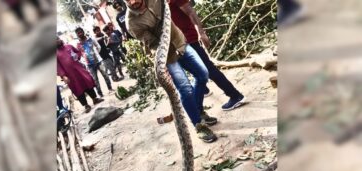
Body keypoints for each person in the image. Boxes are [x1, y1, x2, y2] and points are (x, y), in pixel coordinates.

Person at [125, 0, 217, 143]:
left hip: (181, 43)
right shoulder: (132, 23)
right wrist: (161, 65)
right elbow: (153, 43)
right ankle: (198, 125)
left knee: (203, 74)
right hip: (167, 56)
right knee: (185, 89)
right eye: (128, 0)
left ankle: (197, 109)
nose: (133, 2)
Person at [169, 0, 245, 111]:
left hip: (188, 40)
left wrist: (201, 32)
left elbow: (190, 12)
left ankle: (235, 96)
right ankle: (204, 89)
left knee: (208, 68)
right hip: (179, 43)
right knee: (195, 69)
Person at [57, 37, 103, 113]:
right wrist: (63, 76)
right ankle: (86, 105)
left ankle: (95, 99)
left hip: (79, 69)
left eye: (57, 39)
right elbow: (58, 67)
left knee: (87, 82)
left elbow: (78, 52)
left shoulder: (69, 46)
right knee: (77, 89)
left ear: (60, 39)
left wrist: (76, 55)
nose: (57, 41)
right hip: (70, 75)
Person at [75, 27, 114, 97]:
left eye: (81, 32)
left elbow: (98, 46)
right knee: (95, 80)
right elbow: (79, 54)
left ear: (83, 32)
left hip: (98, 61)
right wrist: (85, 60)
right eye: (78, 33)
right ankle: (100, 93)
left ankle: (110, 88)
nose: (80, 34)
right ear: (77, 35)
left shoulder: (90, 39)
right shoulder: (78, 44)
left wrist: (96, 54)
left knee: (105, 75)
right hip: (89, 64)